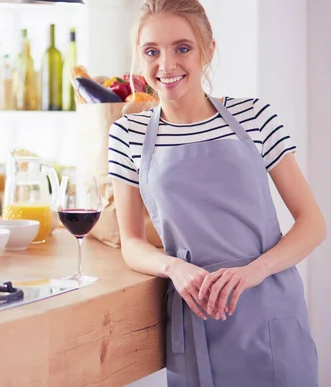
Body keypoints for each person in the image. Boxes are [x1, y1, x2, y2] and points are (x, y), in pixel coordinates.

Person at [107, 1, 325, 386]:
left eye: (183, 48)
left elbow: (312, 223)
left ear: (208, 50)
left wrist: (255, 271)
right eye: (152, 52)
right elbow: (131, 242)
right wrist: (173, 267)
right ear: (140, 61)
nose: (167, 65)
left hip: (268, 303)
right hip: (196, 311)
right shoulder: (128, 134)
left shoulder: (255, 116)